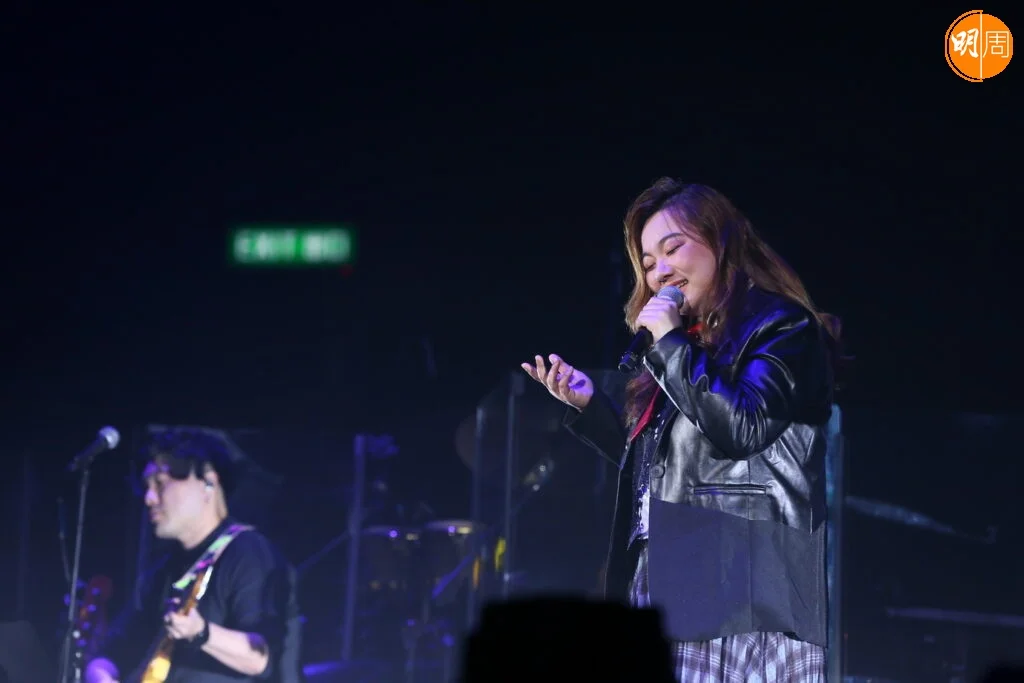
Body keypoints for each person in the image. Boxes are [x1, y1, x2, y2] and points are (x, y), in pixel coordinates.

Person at [522, 178, 841, 682]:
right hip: (670, 567)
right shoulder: (685, 353)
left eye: (673, 249)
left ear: (721, 242)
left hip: (742, 574)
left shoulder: (782, 327)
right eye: (649, 263)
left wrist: (671, 343)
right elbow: (667, 469)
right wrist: (591, 405)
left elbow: (742, 428)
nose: (660, 272)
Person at [84, 428, 303, 683]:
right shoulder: (163, 572)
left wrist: (201, 632)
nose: (149, 498)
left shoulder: (250, 553)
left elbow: (262, 658)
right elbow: (111, 651)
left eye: (160, 483)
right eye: (146, 487)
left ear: (208, 482)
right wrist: (100, 674)